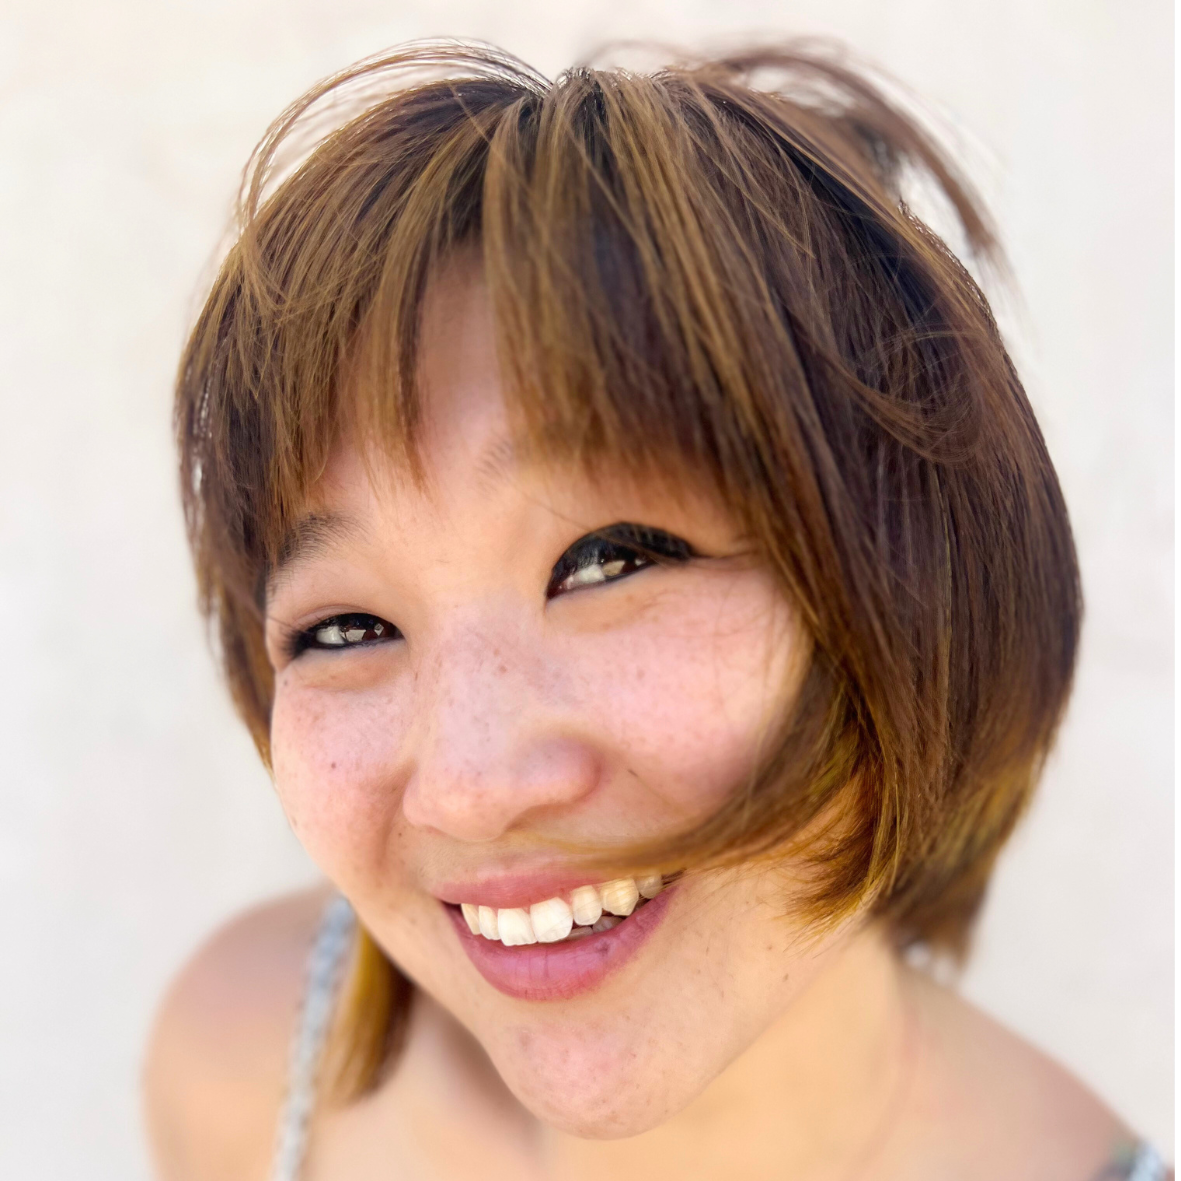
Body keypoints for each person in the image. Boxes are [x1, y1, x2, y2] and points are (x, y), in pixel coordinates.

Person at [142, 41, 1168, 1181]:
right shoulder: (242, 1057)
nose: (470, 789)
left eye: (609, 560)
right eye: (344, 628)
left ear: (917, 583)